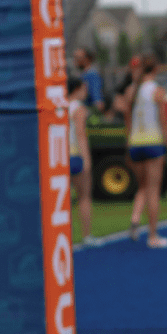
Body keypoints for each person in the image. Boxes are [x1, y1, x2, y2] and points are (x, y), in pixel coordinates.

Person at [121, 53, 167, 248]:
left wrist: (128, 146)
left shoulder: (130, 90)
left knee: (143, 186)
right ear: (155, 69)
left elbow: (127, 122)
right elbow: (164, 122)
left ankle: (135, 218)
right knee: (153, 191)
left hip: (135, 144)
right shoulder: (157, 90)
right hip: (153, 143)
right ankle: (152, 236)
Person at [67, 77, 101, 247]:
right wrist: (86, 159)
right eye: (84, 88)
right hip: (75, 155)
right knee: (84, 197)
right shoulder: (79, 108)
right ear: (77, 89)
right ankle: (87, 236)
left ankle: (63, 237)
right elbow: (80, 134)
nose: (86, 92)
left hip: (60, 157)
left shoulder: (60, 105)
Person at [73, 47, 106, 116]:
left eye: (78, 58)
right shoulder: (83, 74)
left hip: (87, 114)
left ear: (86, 59)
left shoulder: (92, 75)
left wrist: (96, 115)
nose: (75, 60)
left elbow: (98, 101)